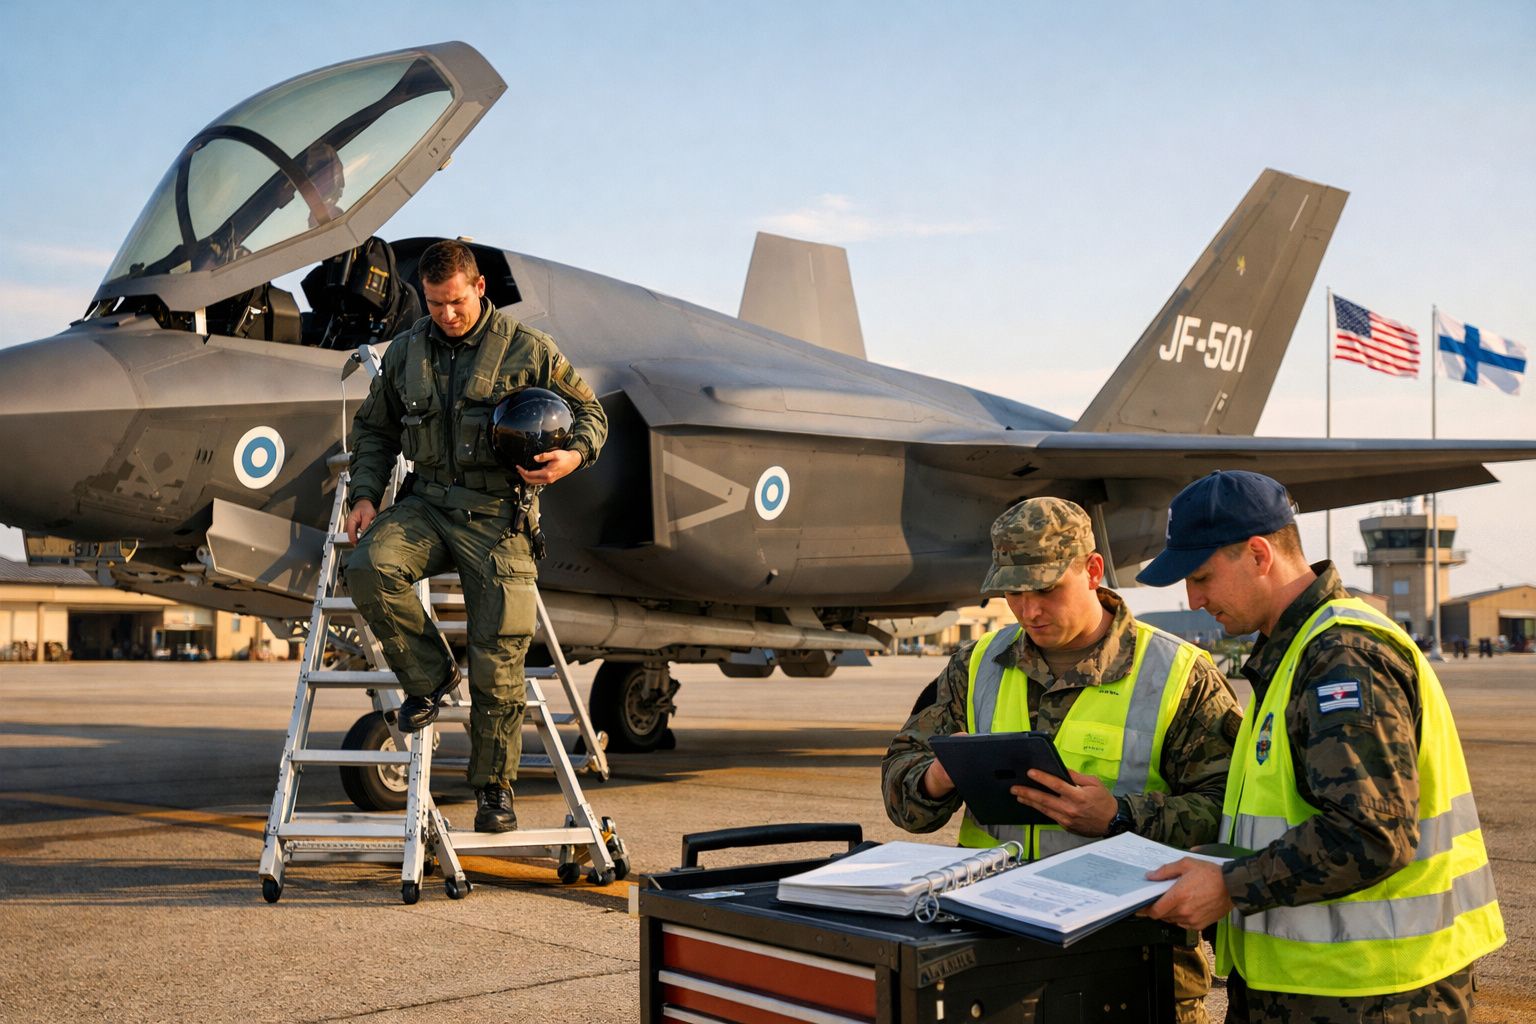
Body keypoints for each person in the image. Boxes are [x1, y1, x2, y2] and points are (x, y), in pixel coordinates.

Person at [1136, 470, 1504, 1023]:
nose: (1193, 599)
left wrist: (1230, 886)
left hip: (1375, 997)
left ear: (1258, 555)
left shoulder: (1342, 656)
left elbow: (1372, 833)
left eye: (1202, 576)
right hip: (1316, 990)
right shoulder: (1294, 650)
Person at [883, 497, 1243, 1024]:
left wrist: (1119, 816)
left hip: (1132, 960)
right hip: (994, 959)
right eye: (1014, 593)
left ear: (1093, 571)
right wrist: (936, 777)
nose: (1029, 611)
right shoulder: (976, 664)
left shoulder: (1179, 673)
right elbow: (900, 788)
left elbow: (1229, 813)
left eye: (1047, 590)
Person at [343, 239, 608, 833]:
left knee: (499, 656)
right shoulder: (407, 350)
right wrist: (364, 495)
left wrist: (571, 457)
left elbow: (593, 416)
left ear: (479, 288)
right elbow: (375, 430)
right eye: (435, 303)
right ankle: (431, 677)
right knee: (368, 566)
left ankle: (494, 790)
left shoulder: (528, 348)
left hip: (498, 515)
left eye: (456, 302)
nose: (446, 314)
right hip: (429, 504)